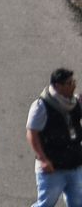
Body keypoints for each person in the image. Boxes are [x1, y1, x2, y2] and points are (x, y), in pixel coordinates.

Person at [29, 67, 82, 206]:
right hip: (53, 168)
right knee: (46, 204)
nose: (74, 85)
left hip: (75, 165)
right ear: (58, 86)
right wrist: (43, 159)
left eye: (73, 82)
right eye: (69, 83)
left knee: (78, 203)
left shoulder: (75, 103)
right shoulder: (41, 106)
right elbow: (32, 134)